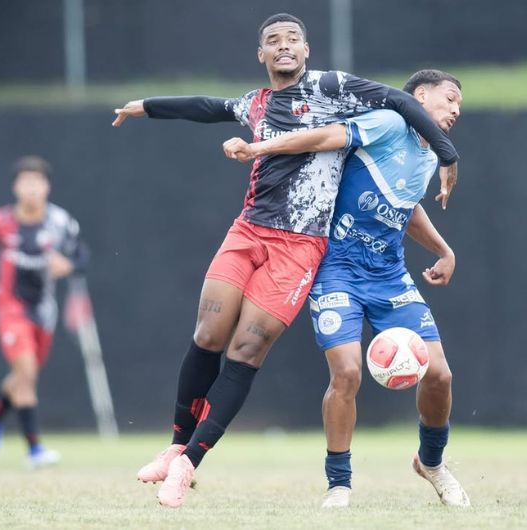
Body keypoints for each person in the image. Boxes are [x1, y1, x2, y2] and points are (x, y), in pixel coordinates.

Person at [111, 13, 459, 508]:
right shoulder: (255, 104)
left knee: (246, 351)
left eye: (292, 38)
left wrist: (446, 153)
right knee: (209, 334)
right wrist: (145, 106)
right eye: (273, 41)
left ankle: (189, 463)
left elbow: (394, 107)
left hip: (303, 246)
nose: (283, 46)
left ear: (307, 48)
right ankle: (176, 447)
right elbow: (207, 106)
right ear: (261, 54)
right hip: (251, 229)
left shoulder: (333, 88)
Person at [222, 69, 469, 507]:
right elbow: (320, 138)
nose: (454, 110)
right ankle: (339, 483)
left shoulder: (428, 157)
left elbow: (404, 209)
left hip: (389, 275)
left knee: (440, 374)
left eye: (459, 106)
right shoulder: (389, 122)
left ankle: (431, 462)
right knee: (348, 372)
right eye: (449, 99)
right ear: (421, 95)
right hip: (336, 271)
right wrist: (257, 147)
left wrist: (444, 250)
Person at [0, 155, 88, 468]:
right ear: (16, 188)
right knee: (26, 374)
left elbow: (82, 256)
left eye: (38, 182)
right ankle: (35, 450)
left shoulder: (61, 222)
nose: (32, 189)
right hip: (10, 308)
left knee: (24, 375)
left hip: (43, 312)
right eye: (26, 182)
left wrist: (71, 265)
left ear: (47, 187)